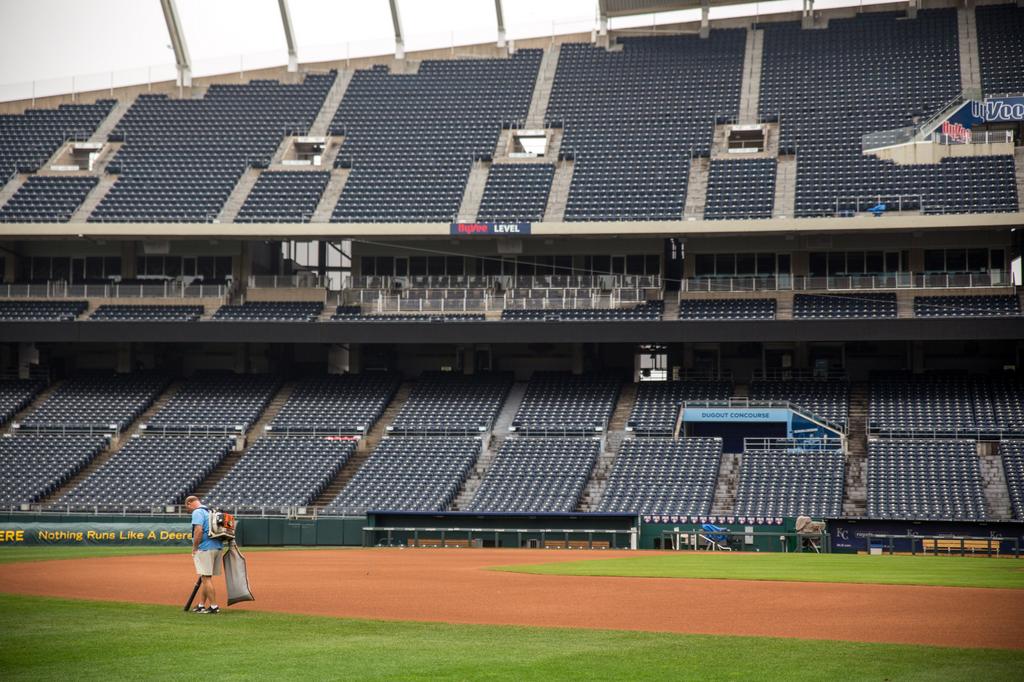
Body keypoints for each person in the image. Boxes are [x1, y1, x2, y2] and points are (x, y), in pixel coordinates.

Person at [185, 495, 223, 614]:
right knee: (206, 577)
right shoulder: (210, 511)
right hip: (217, 547)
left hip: (205, 548)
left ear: (190, 503)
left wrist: (195, 547)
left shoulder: (197, 512)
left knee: (206, 578)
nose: (188, 509)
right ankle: (201, 605)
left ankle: (213, 606)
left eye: (187, 507)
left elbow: (198, 530)